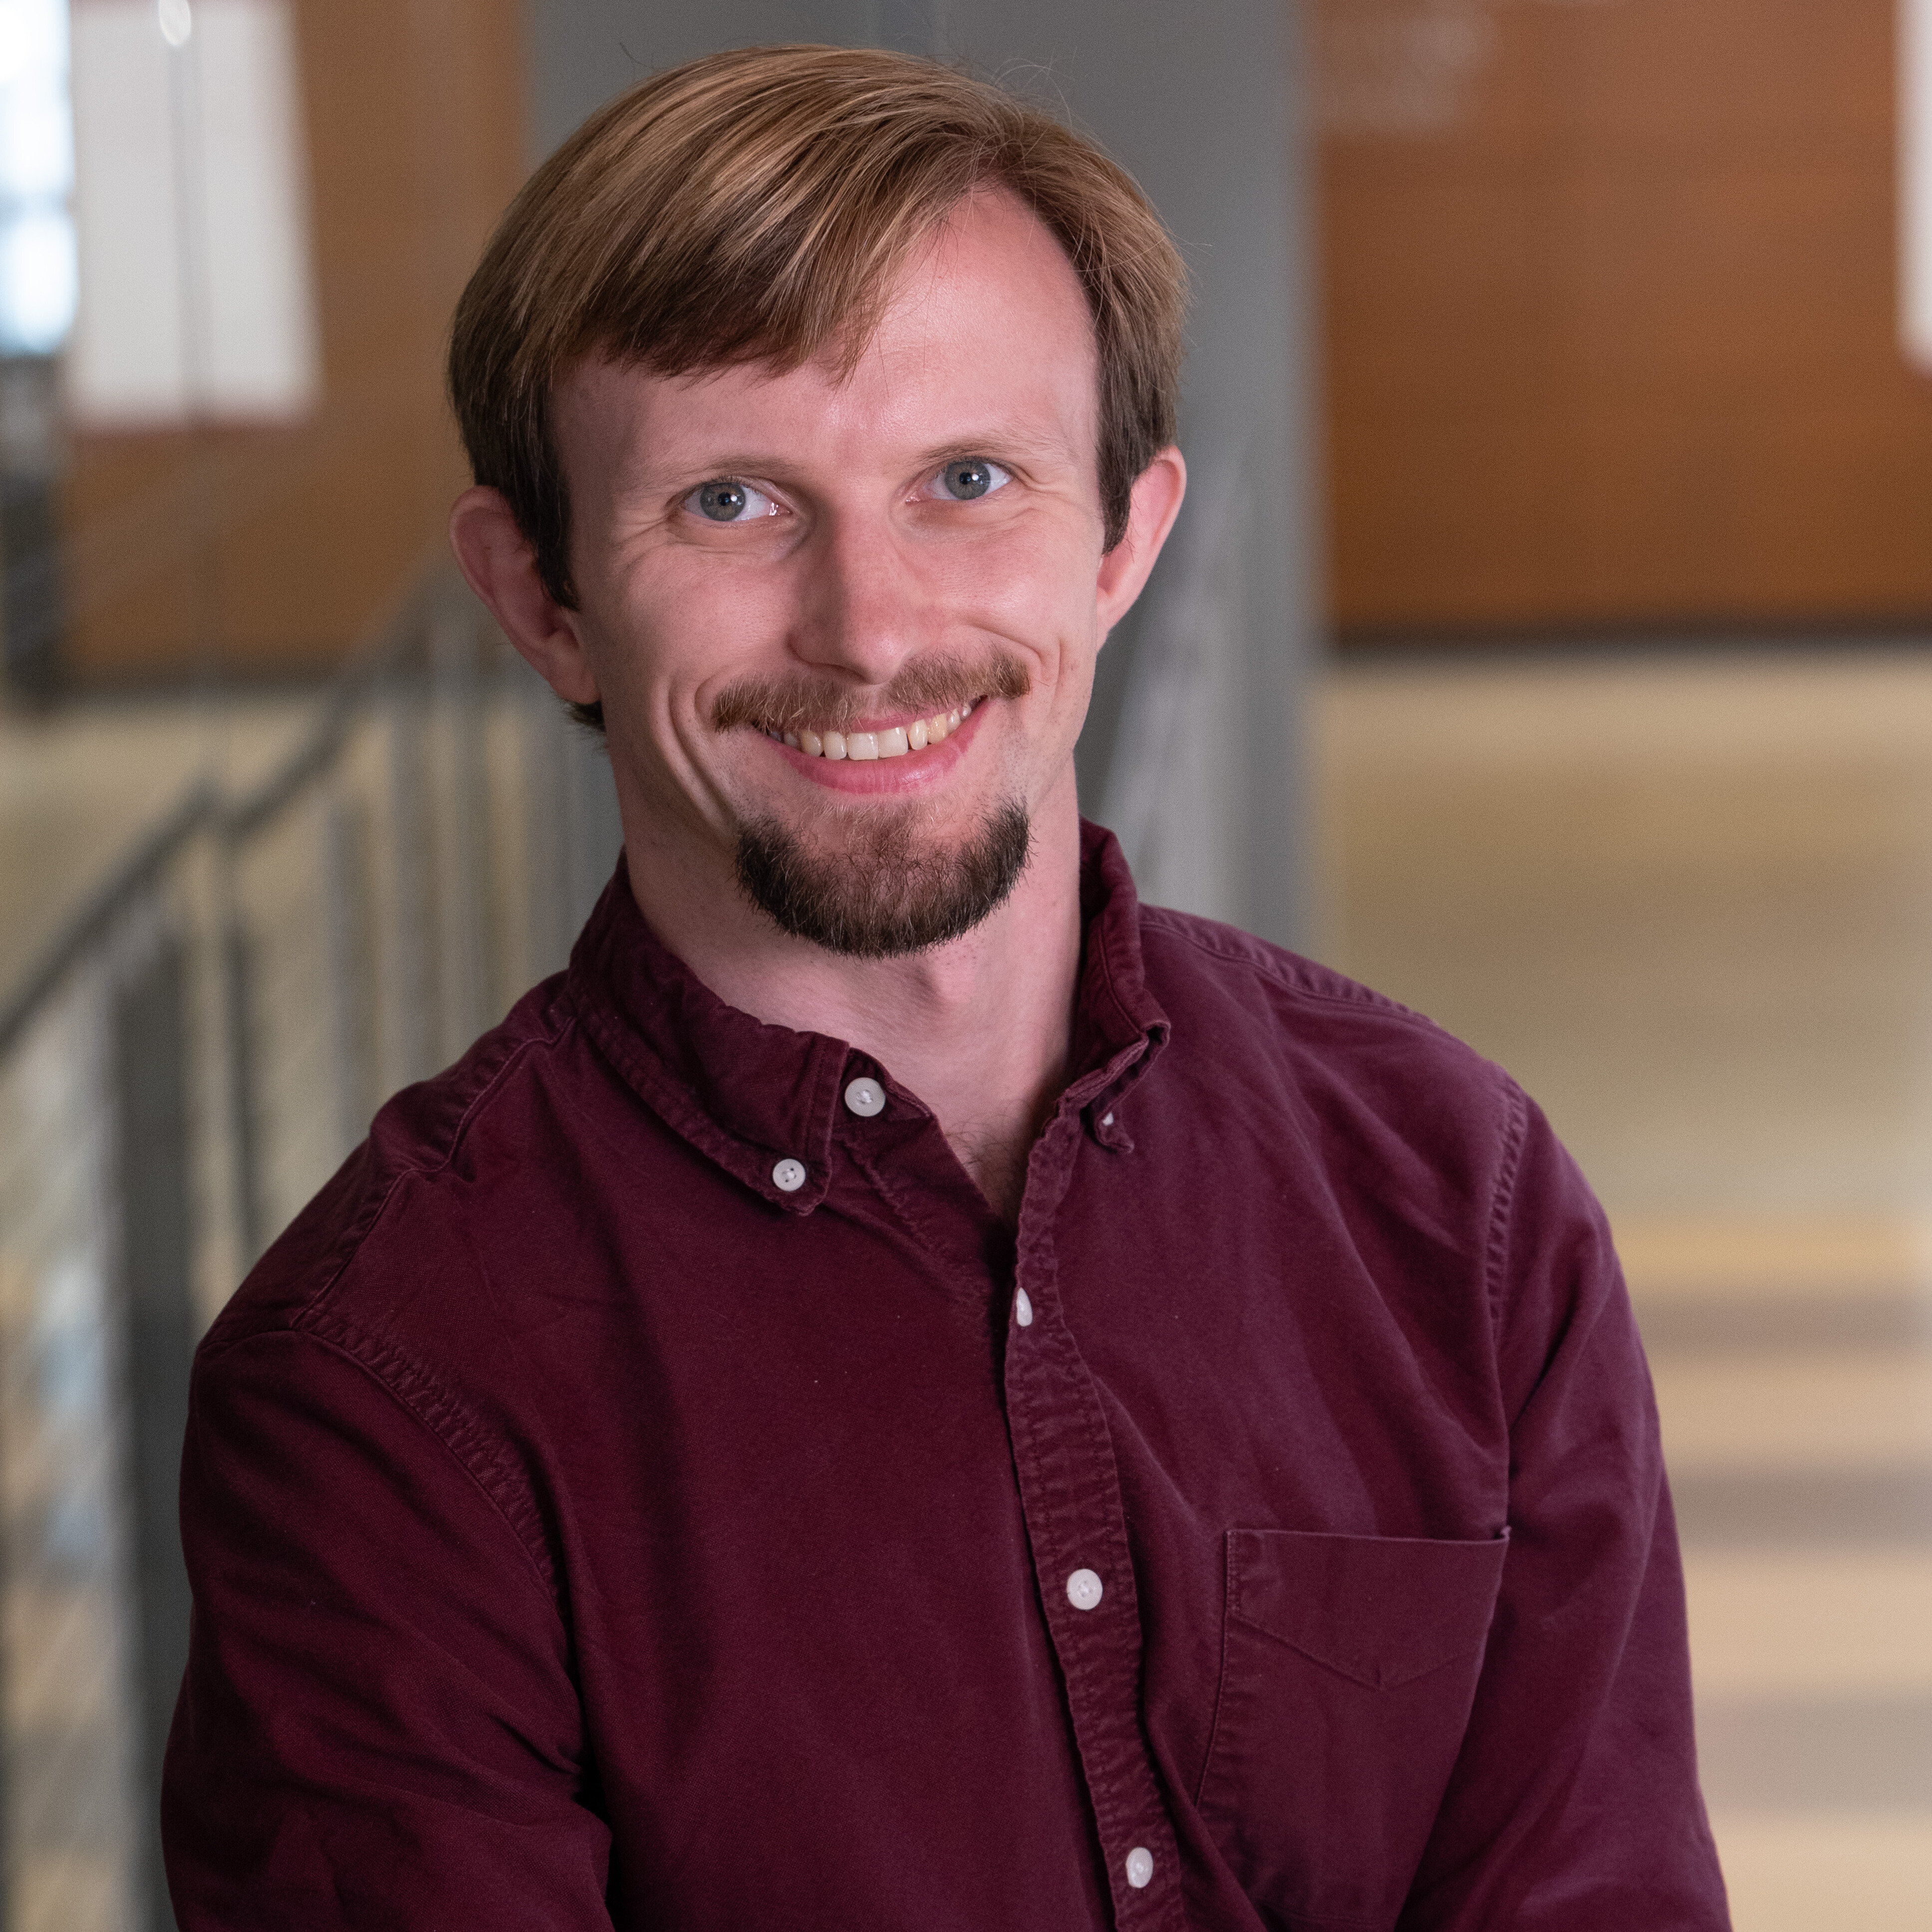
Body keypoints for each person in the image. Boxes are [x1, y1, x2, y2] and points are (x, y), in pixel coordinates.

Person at [161, 43, 1730, 1932]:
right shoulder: (382, 1396)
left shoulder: (1455, 1201)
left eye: (968, 480)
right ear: (543, 596)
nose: (874, 629)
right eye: (732, 503)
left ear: (1123, 539)